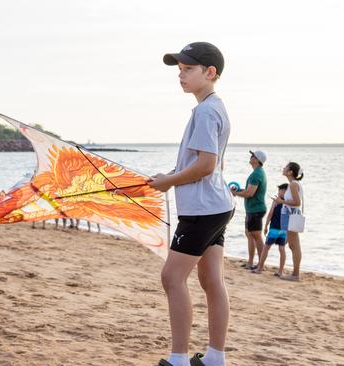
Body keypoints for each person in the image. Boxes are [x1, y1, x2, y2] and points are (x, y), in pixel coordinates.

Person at [149, 42, 234, 366]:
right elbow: (200, 162)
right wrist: (169, 174)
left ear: (210, 73)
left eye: (188, 70)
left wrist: (169, 182)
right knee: (211, 280)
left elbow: (206, 165)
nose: (181, 76)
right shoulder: (215, 107)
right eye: (180, 70)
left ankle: (179, 359)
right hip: (217, 204)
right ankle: (214, 357)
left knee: (171, 278)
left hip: (203, 209)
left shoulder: (205, 110)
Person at [231, 150, 267, 270]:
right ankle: (251, 262)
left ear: (257, 160)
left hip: (256, 209)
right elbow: (248, 190)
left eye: (253, 156)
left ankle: (260, 265)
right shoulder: (257, 172)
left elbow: (250, 193)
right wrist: (238, 190)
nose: (251, 157)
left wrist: (235, 193)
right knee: (249, 234)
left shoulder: (256, 174)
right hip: (252, 209)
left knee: (256, 236)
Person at [274, 162, 304, 281]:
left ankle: (295, 274)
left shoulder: (293, 185)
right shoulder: (294, 184)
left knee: (294, 245)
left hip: (291, 215)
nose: (283, 168)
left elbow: (297, 203)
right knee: (293, 245)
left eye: (286, 167)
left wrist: (282, 202)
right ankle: (295, 273)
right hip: (291, 215)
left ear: (290, 172)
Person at [253, 184, 288, 276]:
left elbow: (270, 214)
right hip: (284, 230)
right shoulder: (289, 203)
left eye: (279, 191)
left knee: (266, 248)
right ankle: (280, 271)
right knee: (282, 249)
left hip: (274, 229)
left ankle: (259, 268)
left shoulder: (276, 201)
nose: (278, 192)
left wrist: (266, 226)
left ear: (284, 191)